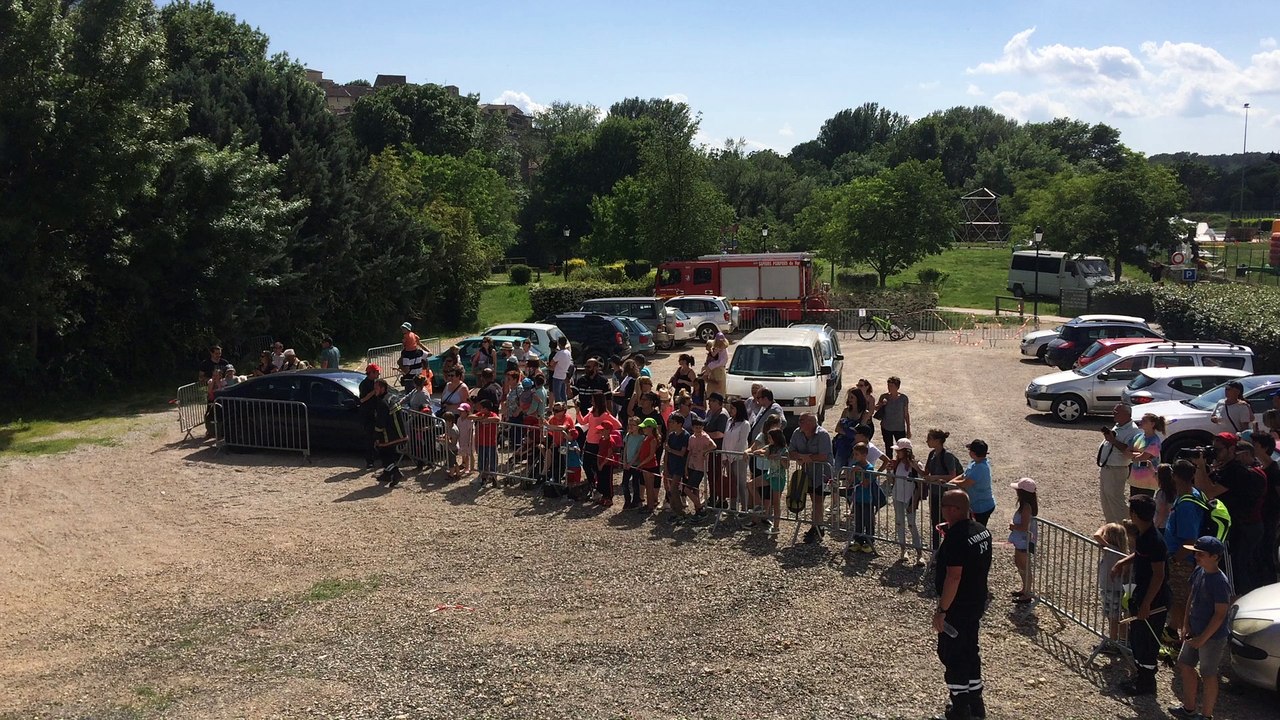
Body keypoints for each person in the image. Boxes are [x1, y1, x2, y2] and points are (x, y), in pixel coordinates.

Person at [933, 489, 993, 720]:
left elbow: (954, 576)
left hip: (958, 606)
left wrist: (942, 610)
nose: (941, 510)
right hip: (976, 601)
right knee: (970, 651)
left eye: (944, 505)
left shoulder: (956, 538)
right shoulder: (981, 531)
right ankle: (976, 703)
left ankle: (960, 708)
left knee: (952, 654)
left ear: (953, 509)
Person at [1110, 494, 1169, 696]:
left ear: (1134, 514)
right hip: (1143, 594)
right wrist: (1123, 562)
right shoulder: (1144, 535)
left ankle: (1146, 683)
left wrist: (1147, 604)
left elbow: (1159, 575)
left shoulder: (1154, 540)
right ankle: (1141, 676)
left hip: (1154, 600)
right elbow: (1141, 555)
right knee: (1137, 638)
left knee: (1146, 642)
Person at [1194, 432, 1266, 595]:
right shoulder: (1223, 468)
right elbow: (1201, 489)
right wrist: (1200, 466)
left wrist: (1202, 467)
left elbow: (1209, 492)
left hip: (1238, 528)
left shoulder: (1236, 471)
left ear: (1232, 449)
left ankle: (1239, 601)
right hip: (1226, 526)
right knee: (1234, 568)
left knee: (1236, 570)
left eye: (1218, 449)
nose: (1215, 452)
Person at [1170, 536, 1234, 720]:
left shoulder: (1220, 582)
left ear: (1215, 557)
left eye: (1201, 554)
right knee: (1185, 665)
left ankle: (1206, 716)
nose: (1196, 557)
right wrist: (1186, 624)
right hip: (1194, 630)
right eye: (1196, 553)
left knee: (1208, 674)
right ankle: (1189, 708)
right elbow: (1191, 596)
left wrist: (1202, 638)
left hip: (1212, 637)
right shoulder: (1199, 571)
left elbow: (1220, 614)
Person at [1165, 460, 1207, 641]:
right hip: (1182, 558)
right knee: (1177, 598)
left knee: (1180, 600)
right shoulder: (1192, 494)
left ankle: (1177, 637)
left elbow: (1190, 540)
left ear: (1174, 476)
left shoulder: (1187, 505)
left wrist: (1175, 560)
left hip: (1183, 561)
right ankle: (1174, 631)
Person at [789, 412, 834, 544]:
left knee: (818, 501)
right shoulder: (797, 433)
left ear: (810, 423)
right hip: (807, 473)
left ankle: (817, 527)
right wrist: (802, 457)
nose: (799, 423)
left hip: (823, 474)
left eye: (802, 420)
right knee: (813, 500)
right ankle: (817, 526)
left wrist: (806, 457)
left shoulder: (823, 435)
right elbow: (791, 452)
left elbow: (823, 456)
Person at [1099, 404, 1141, 523]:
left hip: (1117, 469)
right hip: (1107, 468)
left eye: (1116, 412)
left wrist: (1113, 440)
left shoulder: (1133, 431)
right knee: (1106, 499)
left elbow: (1129, 450)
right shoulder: (1119, 426)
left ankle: (1127, 525)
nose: (1113, 413)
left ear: (1126, 414)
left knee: (1116, 500)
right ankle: (1112, 527)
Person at [1093, 521, 1130, 652]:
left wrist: (1104, 526)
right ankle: (1122, 640)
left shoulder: (1111, 550)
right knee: (1115, 616)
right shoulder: (1121, 552)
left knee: (1113, 617)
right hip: (1114, 589)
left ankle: (1114, 642)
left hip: (1112, 590)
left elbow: (1096, 535)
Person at [888, 438, 926, 565]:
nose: (897, 453)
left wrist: (914, 503)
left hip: (910, 499)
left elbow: (920, 485)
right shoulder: (897, 464)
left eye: (899, 451)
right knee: (899, 523)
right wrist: (889, 470)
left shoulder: (916, 465)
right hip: (897, 497)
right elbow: (892, 481)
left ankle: (919, 553)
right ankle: (903, 550)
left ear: (906, 451)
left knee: (912, 524)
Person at [924, 430, 964, 551]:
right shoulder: (932, 454)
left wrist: (935, 477)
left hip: (946, 495)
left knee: (946, 522)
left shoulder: (947, 456)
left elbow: (953, 476)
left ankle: (948, 550)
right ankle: (936, 550)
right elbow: (926, 473)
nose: (926, 441)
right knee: (935, 523)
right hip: (934, 493)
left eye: (929, 439)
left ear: (937, 441)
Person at [1252, 432, 1280, 586]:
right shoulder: (1260, 468)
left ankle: (1271, 583)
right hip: (1261, 515)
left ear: (1265, 448)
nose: (1253, 448)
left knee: (1269, 550)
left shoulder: (1274, 470)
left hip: (1271, 517)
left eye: (1255, 445)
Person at [582, 394, 621, 501]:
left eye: (593, 400)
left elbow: (618, 425)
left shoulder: (605, 414)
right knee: (586, 465)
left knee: (599, 469)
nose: (591, 402)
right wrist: (577, 411)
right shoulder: (591, 412)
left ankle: (603, 492)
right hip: (589, 442)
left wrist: (607, 433)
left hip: (598, 444)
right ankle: (594, 485)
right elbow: (583, 421)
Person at [750, 427, 789, 535]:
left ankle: (776, 527)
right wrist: (762, 453)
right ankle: (760, 506)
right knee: (751, 484)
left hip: (778, 477)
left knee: (776, 503)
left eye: (770, 437)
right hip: (769, 475)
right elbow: (760, 451)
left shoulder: (784, 450)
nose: (769, 439)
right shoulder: (770, 447)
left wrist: (780, 458)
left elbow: (787, 466)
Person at [950, 439, 996, 527]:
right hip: (976, 505)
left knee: (978, 529)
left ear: (973, 453)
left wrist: (952, 483)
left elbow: (965, 483)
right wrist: (951, 481)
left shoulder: (980, 468)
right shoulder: (975, 463)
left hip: (982, 507)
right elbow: (964, 475)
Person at [1007, 478, 1039, 604]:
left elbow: (1025, 527)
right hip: (1022, 540)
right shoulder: (1027, 505)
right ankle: (1025, 589)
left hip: (1023, 541)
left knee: (1024, 566)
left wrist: (1013, 526)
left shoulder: (1026, 507)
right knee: (1020, 564)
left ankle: (1027, 592)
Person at [371, 379, 407, 488]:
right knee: (389, 453)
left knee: (384, 454)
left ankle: (395, 473)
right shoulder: (392, 397)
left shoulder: (383, 402)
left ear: (383, 388)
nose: (375, 390)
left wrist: (376, 436)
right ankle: (387, 474)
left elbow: (381, 422)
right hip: (399, 433)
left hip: (389, 435)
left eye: (376, 388)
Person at [847, 442, 881, 553]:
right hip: (857, 498)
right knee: (858, 520)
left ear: (864, 455)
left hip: (867, 499)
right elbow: (851, 481)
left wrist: (861, 472)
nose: (855, 456)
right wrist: (852, 473)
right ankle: (858, 540)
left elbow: (866, 483)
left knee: (868, 521)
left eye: (857, 454)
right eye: (854, 454)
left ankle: (869, 541)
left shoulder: (869, 468)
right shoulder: (855, 465)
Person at [682, 416, 715, 522]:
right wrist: (686, 466)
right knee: (695, 488)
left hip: (700, 467)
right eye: (696, 427)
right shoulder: (691, 438)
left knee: (687, 489)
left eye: (700, 427)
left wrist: (705, 451)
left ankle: (700, 508)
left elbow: (713, 446)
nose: (698, 429)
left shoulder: (705, 437)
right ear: (693, 428)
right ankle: (698, 510)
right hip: (692, 465)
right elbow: (689, 452)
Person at [724, 399, 752, 513]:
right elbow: (725, 439)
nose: (730, 410)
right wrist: (724, 456)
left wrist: (734, 456)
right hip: (729, 457)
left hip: (739, 458)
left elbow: (742, 442)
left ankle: (744, 508)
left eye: (733, 408)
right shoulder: (729, 421)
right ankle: (733, 507)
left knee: (741, 483)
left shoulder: (745, 424)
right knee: (732, 482)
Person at [1128, 413, 1165, 495]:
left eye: (1144, 421)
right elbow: (1126, 452)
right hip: (1134, 479)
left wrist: (1133, 456)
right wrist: (1138, 455)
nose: (1141, 422)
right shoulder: (1138, 437)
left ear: (1152, 424)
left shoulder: (1155, 441)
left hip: (1148, 481)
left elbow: (1143, 457)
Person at [662, 414, 689, 518]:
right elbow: (667, 452)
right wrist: (665, 467)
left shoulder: (685, 435)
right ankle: (674, 510)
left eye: (673, 422)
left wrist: (670, 450)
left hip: (679, 465)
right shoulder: (671, 435)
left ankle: (680, 512)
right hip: (671, 465)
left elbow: (682, 453)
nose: (671, 424)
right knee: (670, 489)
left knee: (674, 488)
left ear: (679, 424)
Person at [636, 417, 663, 513]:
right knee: (647, 486)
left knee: (650, 487)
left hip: (650, 466)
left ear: (650, 428)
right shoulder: (646, 438)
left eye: (645, 427)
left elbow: (651, 455)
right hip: (645, 466)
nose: (643, 429)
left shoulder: (653, 440)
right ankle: (649, 504)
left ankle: (650, 506)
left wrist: (641, 464)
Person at [471, 399, 500, 487]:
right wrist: (480, 418)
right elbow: (470, 416)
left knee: (492, 461)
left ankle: (494, 478)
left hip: (491, 443)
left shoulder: (492, 414)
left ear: (486, 409)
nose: (479, 409)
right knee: (482, 461)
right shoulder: (481, 414)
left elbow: (497, 419)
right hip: (482, 443)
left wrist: (486, 419)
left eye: (481, 408)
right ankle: (483, 478)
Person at [875, 376, 911, 447]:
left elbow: (906, 414)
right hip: (886, 427)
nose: (889, 387)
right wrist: (882, 404)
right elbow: (876, 408)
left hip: (899, 428)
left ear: (897, 387)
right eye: (888, 385)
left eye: (891, 386)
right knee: (888, 447)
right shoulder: (884, 396)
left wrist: (908, 429)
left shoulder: (903, 398)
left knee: (902, 448)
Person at [358, 364, 381, 470]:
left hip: (376, 413)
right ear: (371, 373)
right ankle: (369, 461)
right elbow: (362, 399)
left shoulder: (376, 382)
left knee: (378, 437)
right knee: (369, 438)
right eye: (376, 372)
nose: (378, 374)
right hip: (367, 414)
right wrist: (374, 391)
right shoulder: (364, 384)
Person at [621, 417, 646, 510]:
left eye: (633, 425)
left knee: (635, 484)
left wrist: (631, 463)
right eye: (629, 424)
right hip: (627, 463)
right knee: (625, 483)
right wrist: (624, 461)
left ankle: (636, 501)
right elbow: (625, 449)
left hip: (635, 464)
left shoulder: (641, 438)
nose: (630, 427)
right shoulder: (628, 435)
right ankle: (627, 500)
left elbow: (638, 453)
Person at [702, 333, 730, 398]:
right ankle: (705, 372)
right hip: (723, 361)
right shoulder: (724, 346)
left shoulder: (719, 347)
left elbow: (713, 354)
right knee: (711, 365)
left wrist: (711, 349)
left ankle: (705, 374)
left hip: (720, 362)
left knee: (711, 365)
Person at [549, 336, 573, 402]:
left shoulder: (559, 353)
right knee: (563, 395)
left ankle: (559, 407)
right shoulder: (568, 352)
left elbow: (551, 363)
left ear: (559, 344)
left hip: (557, 376)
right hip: (563, 375)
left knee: (557, 396)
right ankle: (564, 406)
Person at [439, 411, 461, 479]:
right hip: (449, 448)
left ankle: (451, 475)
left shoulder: (453, 429)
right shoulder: (449, 426)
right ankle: (458, 474)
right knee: (454, 462)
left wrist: (443, 440)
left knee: (451, 463)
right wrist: (442, 436)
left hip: (452, 449)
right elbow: (447, 434)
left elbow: (453, 442)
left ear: (450, 421)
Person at [455, 402, 474, 477]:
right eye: (460, 411)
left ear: (467, 412)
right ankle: (463, 464)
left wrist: (470, 440)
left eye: (462, 411)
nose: (460, 413)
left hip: (467, 439)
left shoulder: (469, 420)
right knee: (462, 452)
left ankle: (468, 467)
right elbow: (458, 428)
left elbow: (470, 431)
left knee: (467, 454)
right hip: (461, 438)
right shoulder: (459, 419)